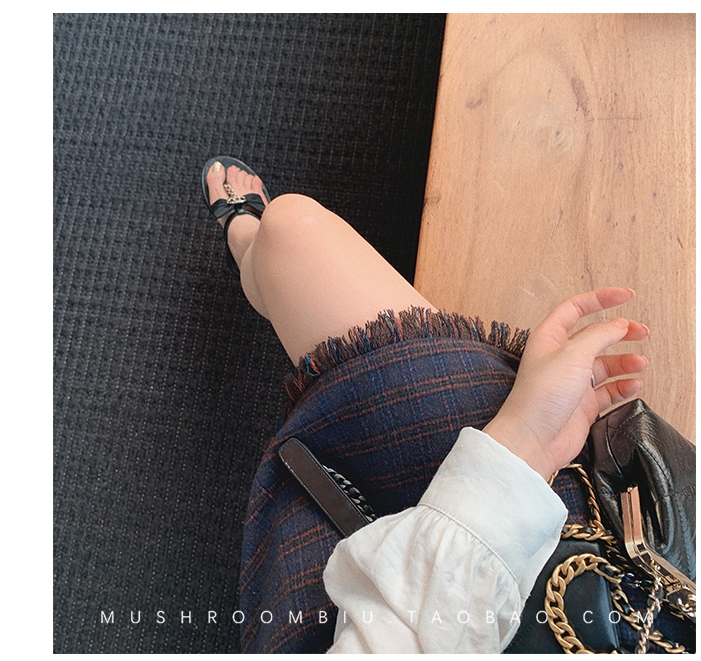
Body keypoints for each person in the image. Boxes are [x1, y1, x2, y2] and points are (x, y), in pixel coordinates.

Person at [202, 157, 650, 654]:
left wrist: (524, 442)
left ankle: (247, 250)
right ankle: (257, 262)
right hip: (624, 544)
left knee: (291, 231)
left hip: (443, 594)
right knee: (292, 236)